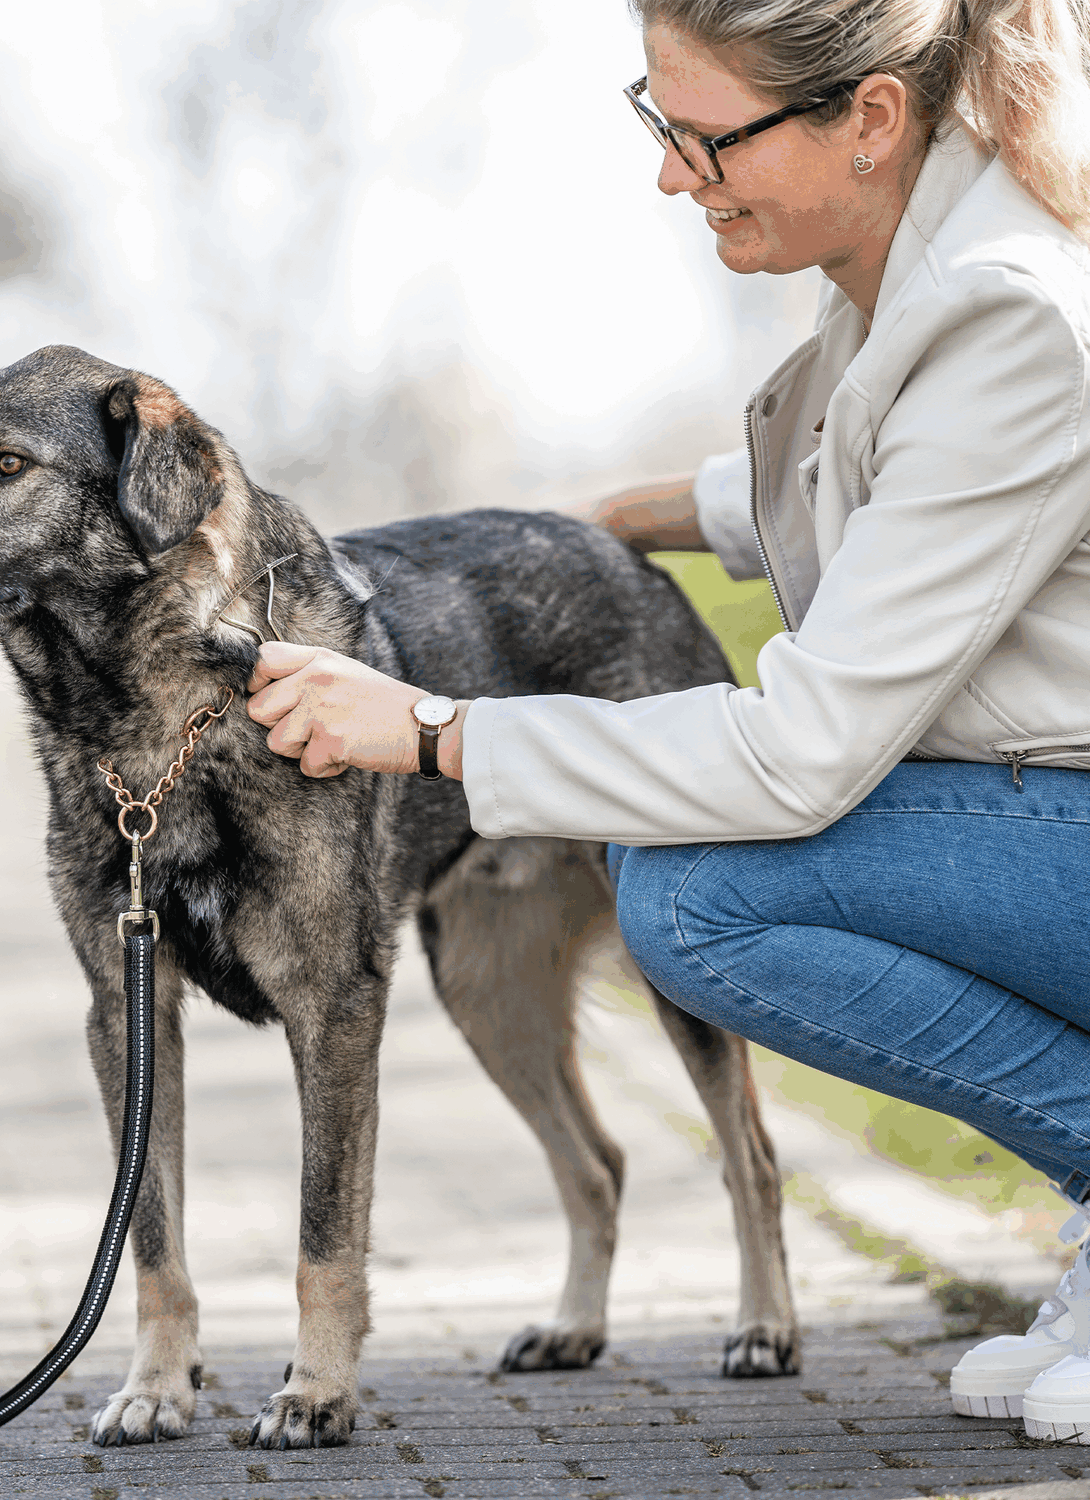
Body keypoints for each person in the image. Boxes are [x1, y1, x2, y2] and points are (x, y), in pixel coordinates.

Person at [244, 0, 1090, 1442]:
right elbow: (875, 474)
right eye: (661, 123)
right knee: (686, 881)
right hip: (1031, 813)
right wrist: (593, 518)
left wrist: (439, 732)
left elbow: (793, 751)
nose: (671, 175)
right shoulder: (917, 251)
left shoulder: (1009, 304)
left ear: (869, 120)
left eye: (705, 139)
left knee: (697, 899)